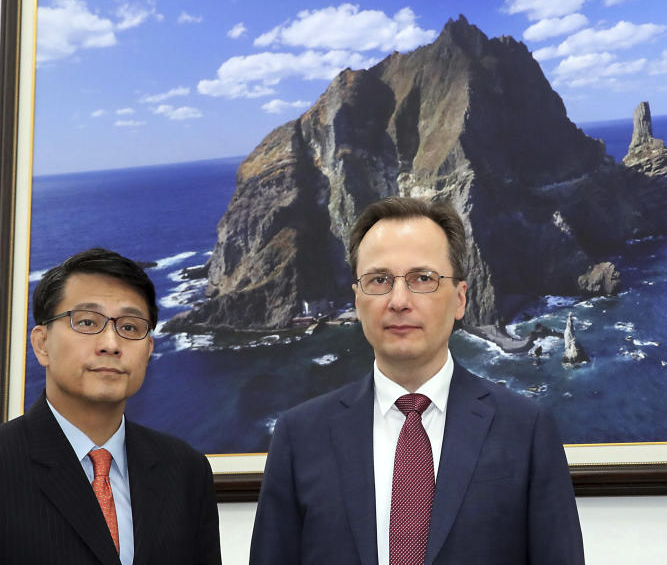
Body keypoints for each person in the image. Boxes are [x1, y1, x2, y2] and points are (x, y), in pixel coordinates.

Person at [250, 197, 584, 564]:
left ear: (460, 300)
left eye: (422, 278)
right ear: (358, 300)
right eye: (379, 280)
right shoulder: (299, 437)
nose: (398, 300)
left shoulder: (527, 431)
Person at [0, 248, 221, 565]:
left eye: (130, 327)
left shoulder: (186, 471)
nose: (110, 343)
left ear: (148, 349)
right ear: (42, 344)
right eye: (87, 322)